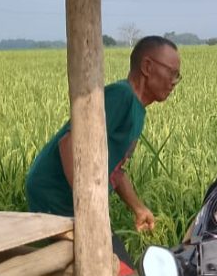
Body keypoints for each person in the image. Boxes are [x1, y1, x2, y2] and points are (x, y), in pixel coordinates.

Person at [25, 35, 181, 275]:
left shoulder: (137, 111)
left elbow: (115, 170)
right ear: (148, 67)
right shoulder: (121, 96)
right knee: (111, 268)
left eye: (176, 76)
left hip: (77, 204)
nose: (173, 82)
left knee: (120, 267)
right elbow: (69, 143)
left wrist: (138, 209)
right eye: (171, 72)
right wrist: (86, 203)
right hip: (56, 197)